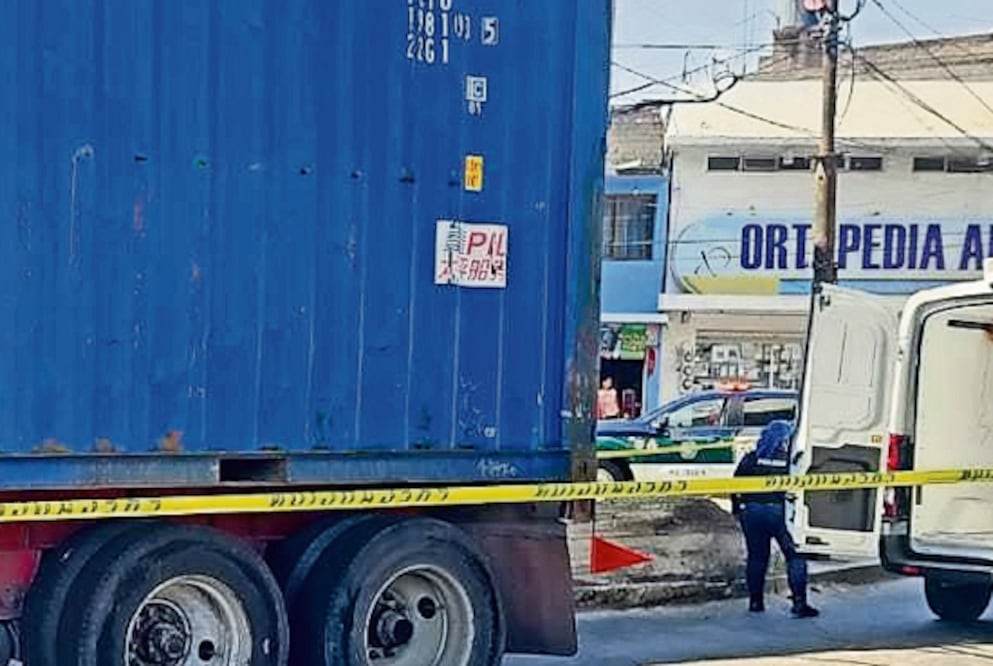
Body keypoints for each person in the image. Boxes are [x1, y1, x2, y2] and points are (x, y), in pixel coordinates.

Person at [731, 419, 819, 618]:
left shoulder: (751, 458)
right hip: (782, 513)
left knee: (757, 557)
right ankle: (799, 604)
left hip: (752, 512)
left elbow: (735, 485)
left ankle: (755, 602)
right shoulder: (791, 461)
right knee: (795, 556)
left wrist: (737, 510)